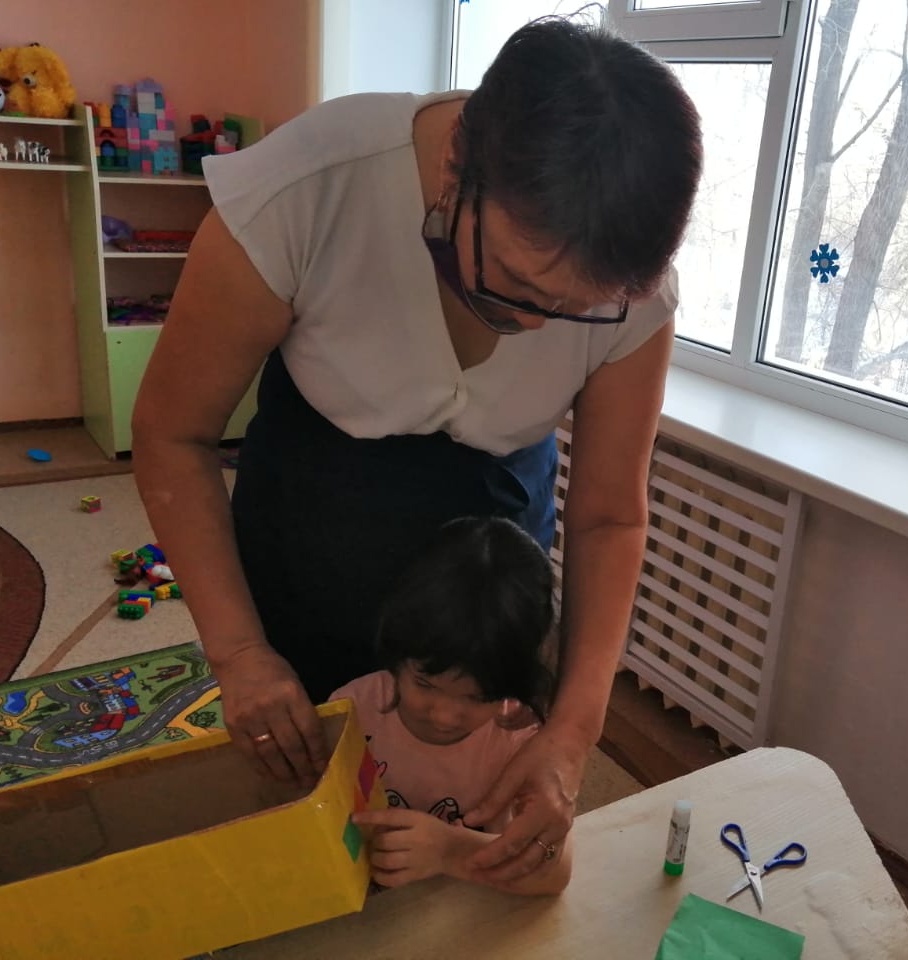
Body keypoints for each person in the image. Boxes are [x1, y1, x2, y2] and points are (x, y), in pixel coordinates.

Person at [131, 13, 701, 885]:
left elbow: (609, 517)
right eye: (518, 283)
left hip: (491, 554)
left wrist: (571, 734)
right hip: (309, 521)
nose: (537, 326)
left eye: (577, 310)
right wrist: (240, 654)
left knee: (470, 805)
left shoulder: (634, 289)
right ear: (455, 165)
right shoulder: (309, 185)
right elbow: (173, 434)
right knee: (305, 821)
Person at [333, 516, 571, 895]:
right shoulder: (350, 711)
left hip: (462, 906)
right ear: (397, 650)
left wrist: (450, 851)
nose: (444, 716)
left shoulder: (518, 741)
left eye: (478, 697)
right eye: (425, 684)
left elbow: (556, 871)